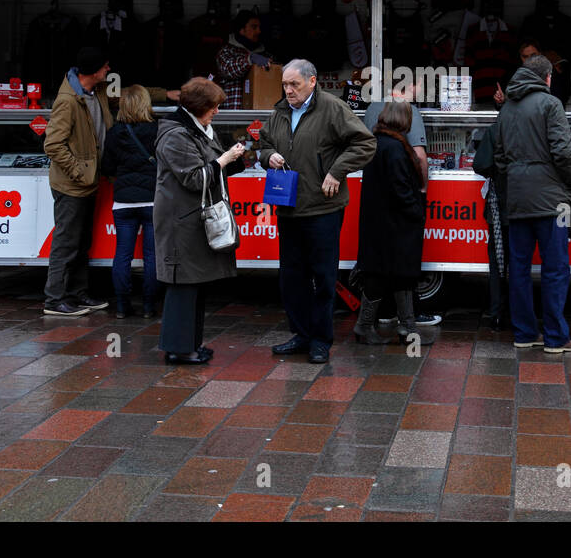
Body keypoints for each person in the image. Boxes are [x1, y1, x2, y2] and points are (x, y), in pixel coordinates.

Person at [260, 58, 376, 364]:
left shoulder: (332, 108)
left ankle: (321, 340)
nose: (288, 90)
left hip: (323, 208)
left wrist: (336, 172)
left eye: (294, 84)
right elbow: (263, 141)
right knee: (291, 278)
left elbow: (365, 143)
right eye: (284, 84)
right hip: (289, 207)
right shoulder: (281, 110)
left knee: (323, 277)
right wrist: (268, 155)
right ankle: (301, 335)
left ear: (312, 82)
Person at [154, 77, 246, 364]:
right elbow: (194, 178)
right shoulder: (176, 135)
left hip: (192, 220)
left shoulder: (199, 128)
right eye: (214, 106)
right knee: (184, 285)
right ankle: (180, 349)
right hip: (180, 222)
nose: (217, 111)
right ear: (198, 106)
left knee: (194, 285)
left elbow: (213, 167)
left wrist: (236, 157)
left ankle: (190, 344)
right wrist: (225, 159)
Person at [494, 53, 571, 353]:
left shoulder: (506, 107)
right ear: (547, 77)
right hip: (553, 202)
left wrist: (517, 178)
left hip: (517, 200)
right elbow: (563, 152)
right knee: (555, 267)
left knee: (518, 267)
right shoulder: (551, 104)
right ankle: (556, 338)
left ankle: (524, 333)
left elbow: (500, 157)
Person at [363, 75, 441, 328]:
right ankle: (406, 323)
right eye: (419, 84)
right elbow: (417, 160)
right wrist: (420, 200)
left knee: (383, 270)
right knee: (403, 271)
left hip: (378, 218)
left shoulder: (374, 115)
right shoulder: (397, 144)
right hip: (397, 219)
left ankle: (379, 319)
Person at [42, 46, 114, 317]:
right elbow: (53, 144)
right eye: (105, 67)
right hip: (72, 185)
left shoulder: (96, 93)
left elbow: (127, 95)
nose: (108, 70)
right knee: (66, 242)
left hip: (87, 182)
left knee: (81, 242)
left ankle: (77, 294)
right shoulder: (68, 101)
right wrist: (79, 172)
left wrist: (166, 95)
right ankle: (54, 299)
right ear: (94, 71)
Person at [353, 100, 431, 346]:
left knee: (393, 275)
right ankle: (372, 327)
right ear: (403, 120)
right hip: (397, 224)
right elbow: (401, 188)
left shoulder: (378, 144)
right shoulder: (396, 148)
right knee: (396, 275)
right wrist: (417, 210)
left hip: (380, 222)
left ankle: (404, 328)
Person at [101, 85, 159, 319]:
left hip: (123, 202)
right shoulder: (157, 129)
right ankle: (148, 306)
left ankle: (123, 307)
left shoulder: (115, 132)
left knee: (122, 255)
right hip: (152, 200)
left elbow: (107, 168)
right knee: (152, 256)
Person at [472, 122, 510, 330]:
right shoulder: (536, 124)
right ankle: (519, 313)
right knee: (520, 261)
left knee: (497, 260)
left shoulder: (497, 128)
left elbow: (480, 164)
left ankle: (497, 314)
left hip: (501, 204)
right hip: (529, 204)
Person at [215, 10, 271, 109]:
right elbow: (228, 69)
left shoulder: (265, 54)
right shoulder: (227, 51)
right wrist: (249, 60)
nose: (259, 31)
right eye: (254, 27)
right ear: (241, 29)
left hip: (260, 116)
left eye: (259, 27)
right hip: (232, 117)